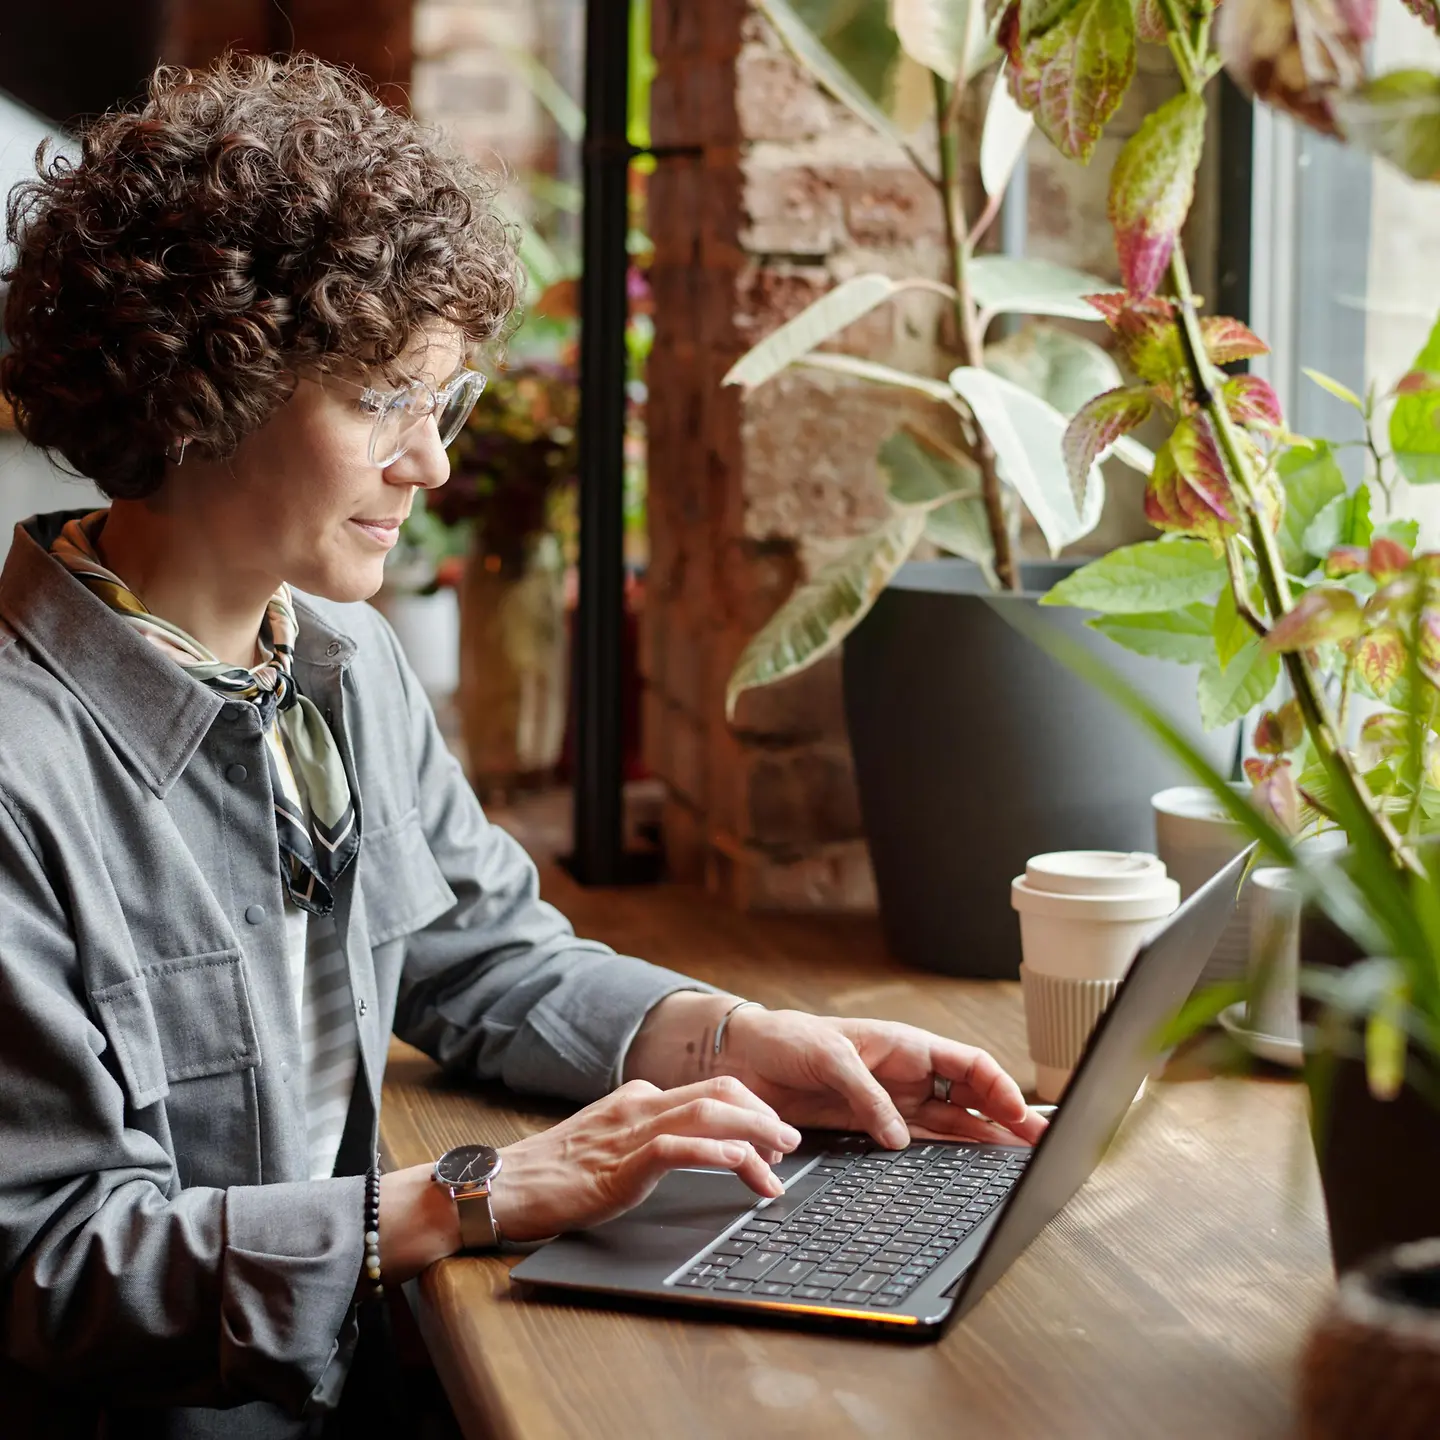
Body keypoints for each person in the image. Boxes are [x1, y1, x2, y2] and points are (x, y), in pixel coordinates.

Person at [0, 53, 1045, 1439]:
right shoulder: (23, 775)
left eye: (444, 403)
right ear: (210, 384)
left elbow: (479, 955)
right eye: (385, 399)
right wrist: (478, 1193)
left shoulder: (338, 664)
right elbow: (53, 1271)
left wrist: (745, 1040)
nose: (428, 462)